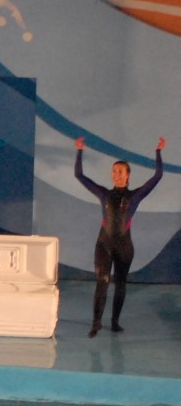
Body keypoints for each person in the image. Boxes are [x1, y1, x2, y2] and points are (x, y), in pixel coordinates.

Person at [74, 134, 165, 337]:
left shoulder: (135, 196)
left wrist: (158, 152)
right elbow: (79, 175)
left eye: (120, 171)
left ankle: (115, 322)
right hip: (104, 244)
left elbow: (158, 176)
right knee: (103, 281)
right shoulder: (104, 194)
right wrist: (79, 151)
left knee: (121, 284)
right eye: (114, 171)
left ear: (127, 176)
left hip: (124, 247)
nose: (116, 174)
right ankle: (96, 323)